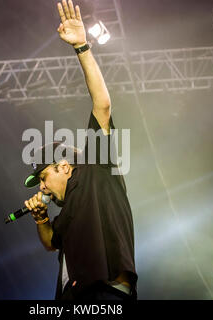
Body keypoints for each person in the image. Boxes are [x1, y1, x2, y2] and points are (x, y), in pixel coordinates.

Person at [23, 0, 137, 300]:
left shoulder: (95, 173)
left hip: (105, 295)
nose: (43, 186)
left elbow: (102, 105)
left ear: (64, 166)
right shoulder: (68, 210)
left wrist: (82, 47)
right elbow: (51, 243)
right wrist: (41, 219)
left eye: (44, 176)